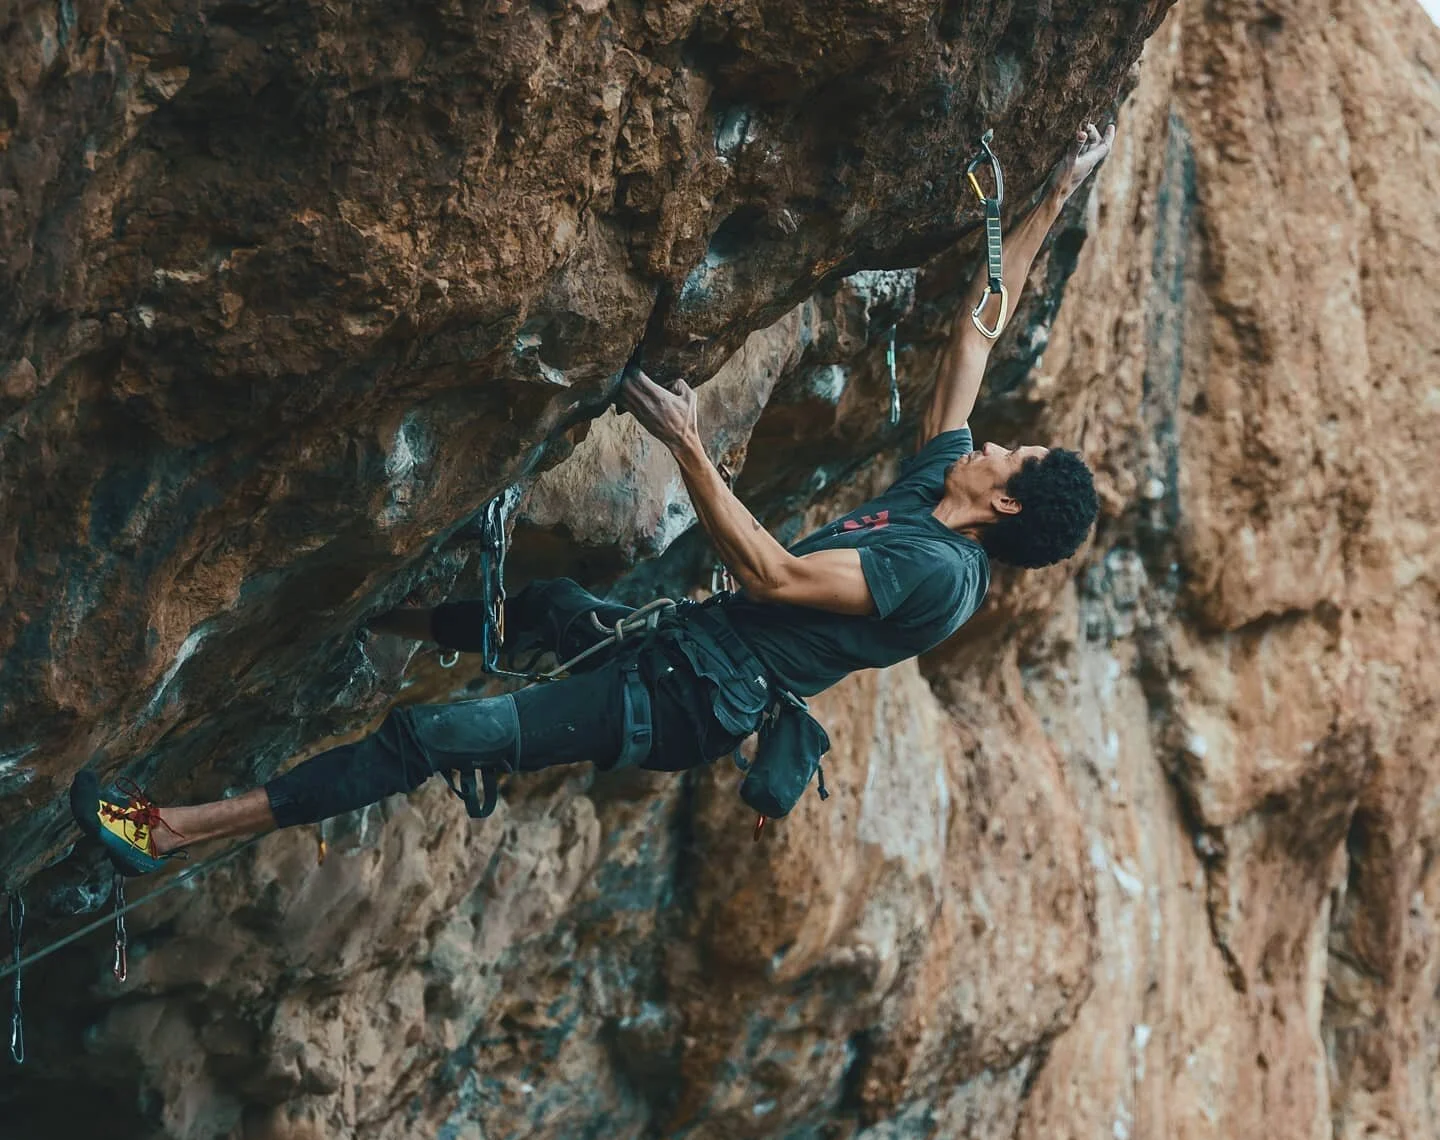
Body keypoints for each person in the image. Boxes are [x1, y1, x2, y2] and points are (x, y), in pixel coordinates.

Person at [71, 122, 1113, 875]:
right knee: (556, 606)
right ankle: (373, 623)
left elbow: (776, 573)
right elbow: (978, 328)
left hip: (683, 702)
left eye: (1013, 453)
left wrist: (691, 447)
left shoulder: (934, 573)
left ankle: (172, 832)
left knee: (435, 740)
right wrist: (1057, 189)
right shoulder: (943, 489)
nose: (996, 443)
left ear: (1008, 505)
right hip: (683, 649)